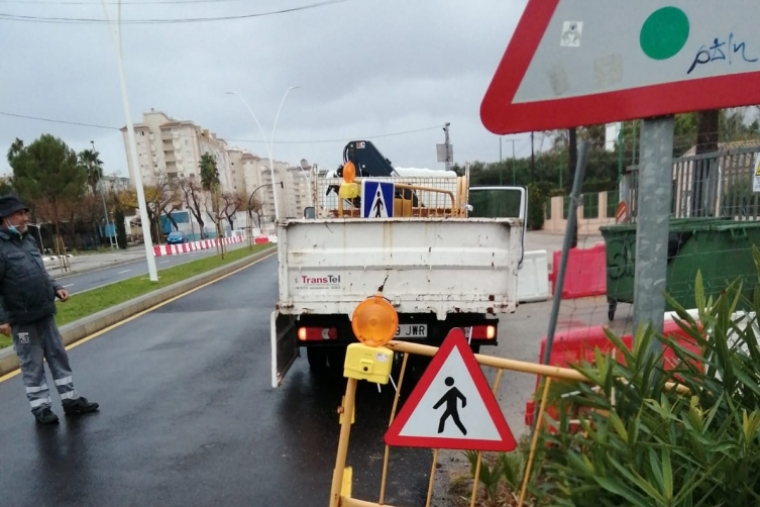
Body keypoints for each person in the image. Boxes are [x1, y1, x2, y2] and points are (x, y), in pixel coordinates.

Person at [0, 195, 99, 424]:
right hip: (22, 318)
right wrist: (2, 319)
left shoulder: (28, 241)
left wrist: (57, 288)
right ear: (5, 218)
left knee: (58, 356)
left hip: (45, 311)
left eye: (25, 213)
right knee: (32, 364)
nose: (25, 217)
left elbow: (40, 272)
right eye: (20, 214)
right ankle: (41, 408)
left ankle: (71, 401)